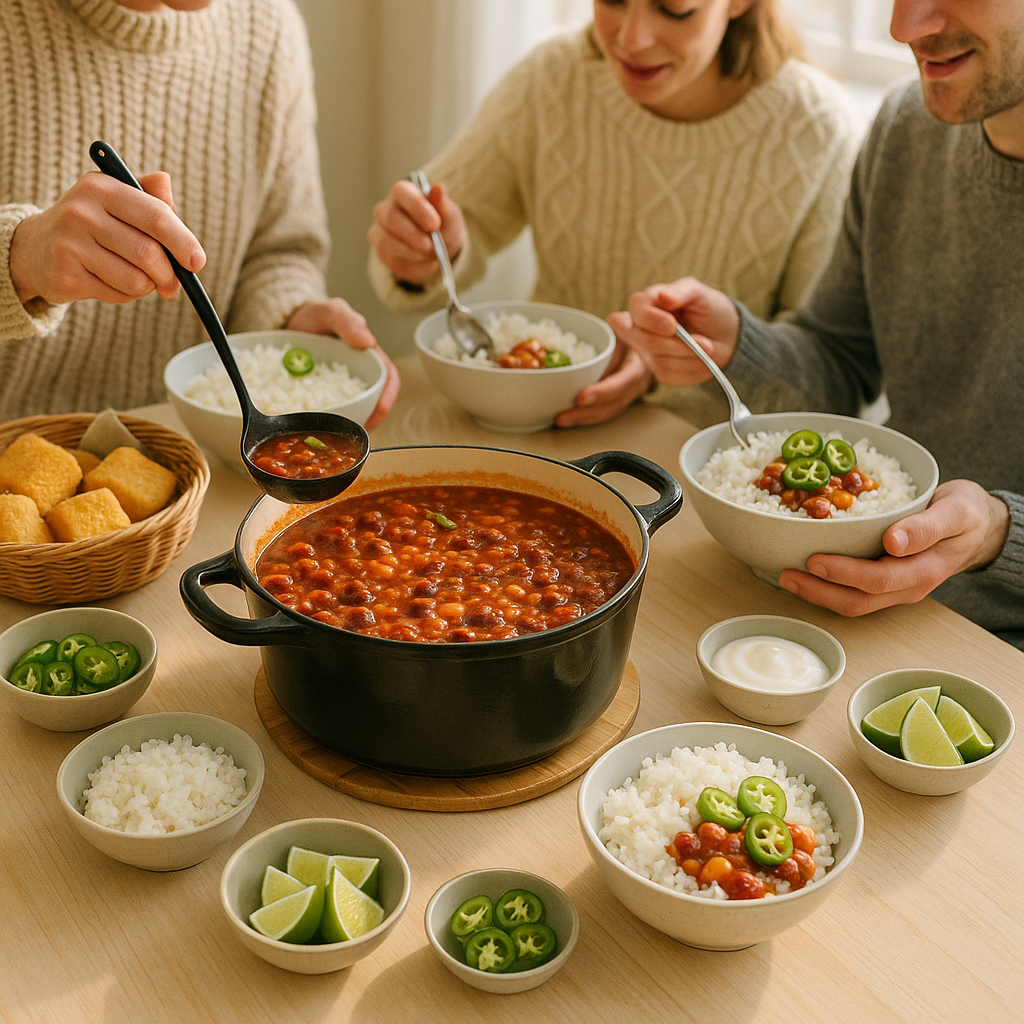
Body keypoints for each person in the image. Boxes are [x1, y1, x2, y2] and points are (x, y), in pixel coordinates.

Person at [612, 0, 1024, 648]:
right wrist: (740, 350)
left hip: (996, 645)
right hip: (846, 600)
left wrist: (1001, 533)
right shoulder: (906, 126)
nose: (903, 27)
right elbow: (838, 360)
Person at [367, 0, 862, 428]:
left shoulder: (818, 132)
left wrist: (671, 360)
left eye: (674, 8)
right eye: (611, 0)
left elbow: (824, 383)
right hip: (536, 430)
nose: (633, 38)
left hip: (703, 474)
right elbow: (454, 223)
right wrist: (425, 254)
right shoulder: (555, 74)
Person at [0, 0, 398, 426]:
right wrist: (19, 258)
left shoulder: (266, 26)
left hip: (199, 454)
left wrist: (287, 318)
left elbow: (277, 252)